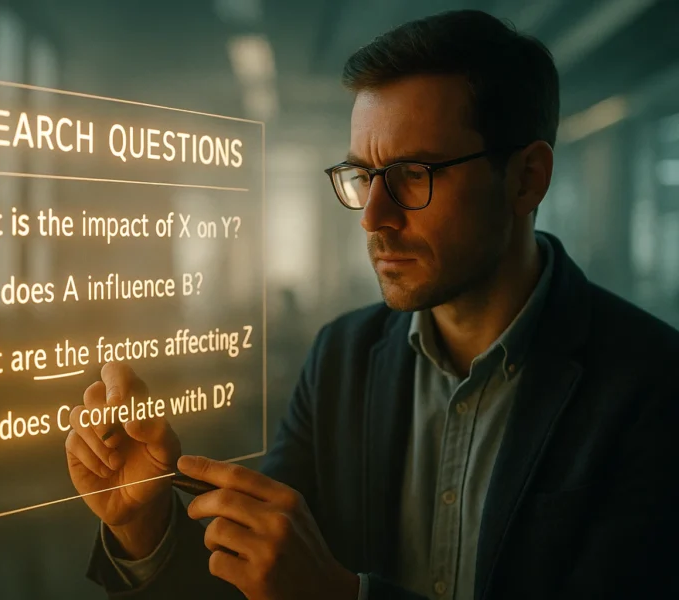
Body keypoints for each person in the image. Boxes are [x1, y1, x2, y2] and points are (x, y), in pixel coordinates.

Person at [65, 9, 679, 600]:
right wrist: (144, 523)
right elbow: (260, 577)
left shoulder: (653, 383)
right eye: (363, 175)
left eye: (414, 173)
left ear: (526, 179)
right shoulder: (342, 356)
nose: (373, 218)